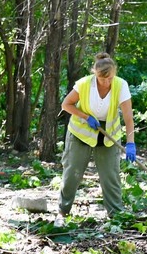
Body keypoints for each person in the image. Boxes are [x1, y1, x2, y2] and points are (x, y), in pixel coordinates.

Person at [56, 52, 137, 227]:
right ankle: (62, 212)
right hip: (81, 133)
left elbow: (128, 117)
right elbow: (66, 104)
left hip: (108, 136)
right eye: (102, 79)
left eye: (109, 79)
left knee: (110, 176)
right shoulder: (84, 84)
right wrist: (85, 116)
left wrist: (131, 142)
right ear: (95, 73)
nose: (106, 83)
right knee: (72, 173)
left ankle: (116, 216)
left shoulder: (121, 85)